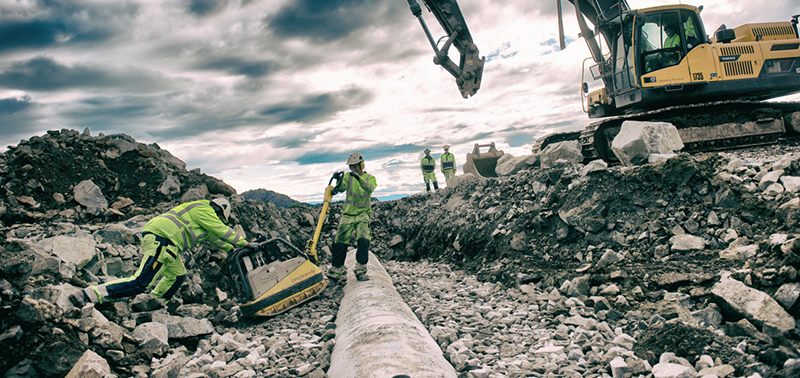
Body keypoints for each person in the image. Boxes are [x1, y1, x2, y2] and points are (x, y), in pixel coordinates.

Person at [70, 198, 256, 307]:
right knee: (140, 282)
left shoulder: (205, 223)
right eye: (220, 217)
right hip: (161, 239)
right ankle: (90, 294)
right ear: (219, 210)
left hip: (169, 246)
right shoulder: (204, 209)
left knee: (177, 276)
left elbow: (217, 238)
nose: (219, 219)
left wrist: (233, 248)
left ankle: (153, 305)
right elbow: (221, 230)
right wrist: (246, 243)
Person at [327, 152, 377, 282]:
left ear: (361, 165)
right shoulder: (348, 177)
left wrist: (359, 179)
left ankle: (360, 270)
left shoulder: (370, 178)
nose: (353, 169)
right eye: (351, 167)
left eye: (355, 166)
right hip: (348, 214)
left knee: (363, 240)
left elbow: (369, 188)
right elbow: (342, 188)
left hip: (363, 214)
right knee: (340, 241)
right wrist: (338, 179)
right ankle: (336, 270)